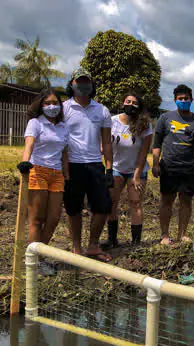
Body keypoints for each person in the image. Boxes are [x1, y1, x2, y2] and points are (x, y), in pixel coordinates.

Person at [63, 68, 114, 262]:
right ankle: (77, 247)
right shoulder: (64, 108)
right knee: (73, 207)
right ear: (72, 84)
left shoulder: (102, 110)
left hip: (95, 164)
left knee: (103, 206)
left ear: (92, 85)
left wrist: (109, 167)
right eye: (79, 81)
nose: (83, 85)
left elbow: (107, 142)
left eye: (87, 81)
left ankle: (93, 245)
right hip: (72, 165)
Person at [17, 89, 69, 275]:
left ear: (60, 106)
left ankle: (38, 255)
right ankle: (33, 261)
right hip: (37, 170)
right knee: (37, 220)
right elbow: (29, 144)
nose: (51, 106)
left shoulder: (63, 126)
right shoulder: (35, 123)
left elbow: (64, 152)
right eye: (47, 103)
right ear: (41, 105)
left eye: (55, 102)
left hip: (57, 175)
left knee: (54, 219)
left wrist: (67, 175)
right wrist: (25, 161)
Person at [152, 84, 194, 245]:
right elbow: (157, 144)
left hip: (190, 168)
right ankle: (164, 235)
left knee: (186, 201)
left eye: (186, 99)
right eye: (180, 99)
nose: (183, 101)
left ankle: (182, 234)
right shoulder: (165, 118)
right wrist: (156, 164)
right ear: (175, 100)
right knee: (167, 200)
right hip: (169, 167)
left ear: (192, 100)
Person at [102, 92, 153, 248]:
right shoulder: (112, 122)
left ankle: (135, 242)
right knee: (112, 203)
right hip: (116, 167)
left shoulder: (145, 125)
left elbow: (144, 153)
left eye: (134, 102)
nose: (131, 105)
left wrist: (136, 176)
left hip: (136, 169)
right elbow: (105, 146)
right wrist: (109, 168)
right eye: (128, 101)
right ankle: (112, 240)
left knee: (135, 203)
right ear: (123, 103)